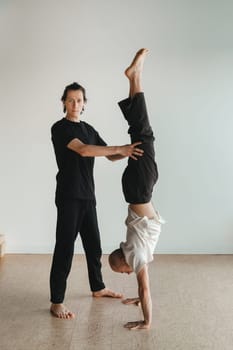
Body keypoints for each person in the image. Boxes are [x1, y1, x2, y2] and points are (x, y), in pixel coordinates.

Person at [50, 81, 144, 319]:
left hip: (87, 196)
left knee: (94, 246)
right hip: (69, 196)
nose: (75, 104)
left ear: (84, 104)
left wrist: (129, 152)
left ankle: (98, 287)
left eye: (79, 100)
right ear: (63, 102)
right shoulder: (60, 128)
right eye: (70, 100)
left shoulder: (89, 129)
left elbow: (110, 155)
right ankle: (57, 301)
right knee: (65, 248)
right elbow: (83, 150)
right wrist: (118, 148)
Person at [109, 48, 164, 330]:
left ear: (125, 261)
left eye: (122, 271)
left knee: (143, 134)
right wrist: (135, 299)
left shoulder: (137, 256)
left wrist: (146, 321)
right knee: (139, 132)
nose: (127, 274)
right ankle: (134, 77)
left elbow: (146, 290)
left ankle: (135, 76)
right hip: (135, 191)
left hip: (140, 191)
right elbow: (139, 290)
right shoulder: (129, 249)